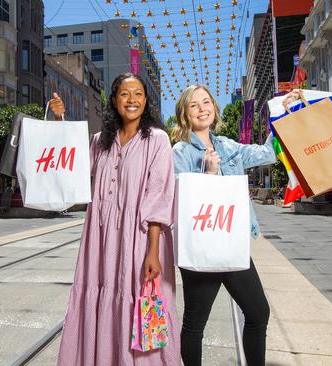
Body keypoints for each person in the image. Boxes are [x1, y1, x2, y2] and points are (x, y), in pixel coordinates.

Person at [48, 73, 180, 365]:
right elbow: (73, 169)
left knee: (143, 302)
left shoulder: (157, 140)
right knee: (103, 294)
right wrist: (60, 121)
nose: (131, 100)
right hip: (101, 238)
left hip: (142, 237)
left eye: (138, 94)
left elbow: (158, 195)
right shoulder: (99, 142)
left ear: (146, 101)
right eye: (124, 94)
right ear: (114, 100)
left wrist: (153, 251)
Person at [171, 84, 282, 366]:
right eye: (194, 105)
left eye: (206, 102)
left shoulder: (229, 146)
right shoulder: (179, 152)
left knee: (258, 313)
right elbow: (178, 199)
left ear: (214, 108)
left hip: (233, 245)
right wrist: (206, 173)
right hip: (201, 247)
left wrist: (284, 113)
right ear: (185, 114)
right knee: (195, 323)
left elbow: (269, 153)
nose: (202, 108)